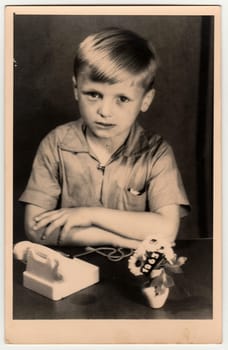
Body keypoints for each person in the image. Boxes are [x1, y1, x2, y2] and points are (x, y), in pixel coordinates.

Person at [19, 27, 190, 249]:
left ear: (146, 100)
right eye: (94, 94)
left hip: (132, 272)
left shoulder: (157, 153)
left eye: (122, 98)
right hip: (72, 271)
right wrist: (115, 239)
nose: (105, 111)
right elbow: (35, 227)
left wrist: (89, 215)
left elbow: (167, 229)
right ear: (76, 89)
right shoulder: (55, 144)